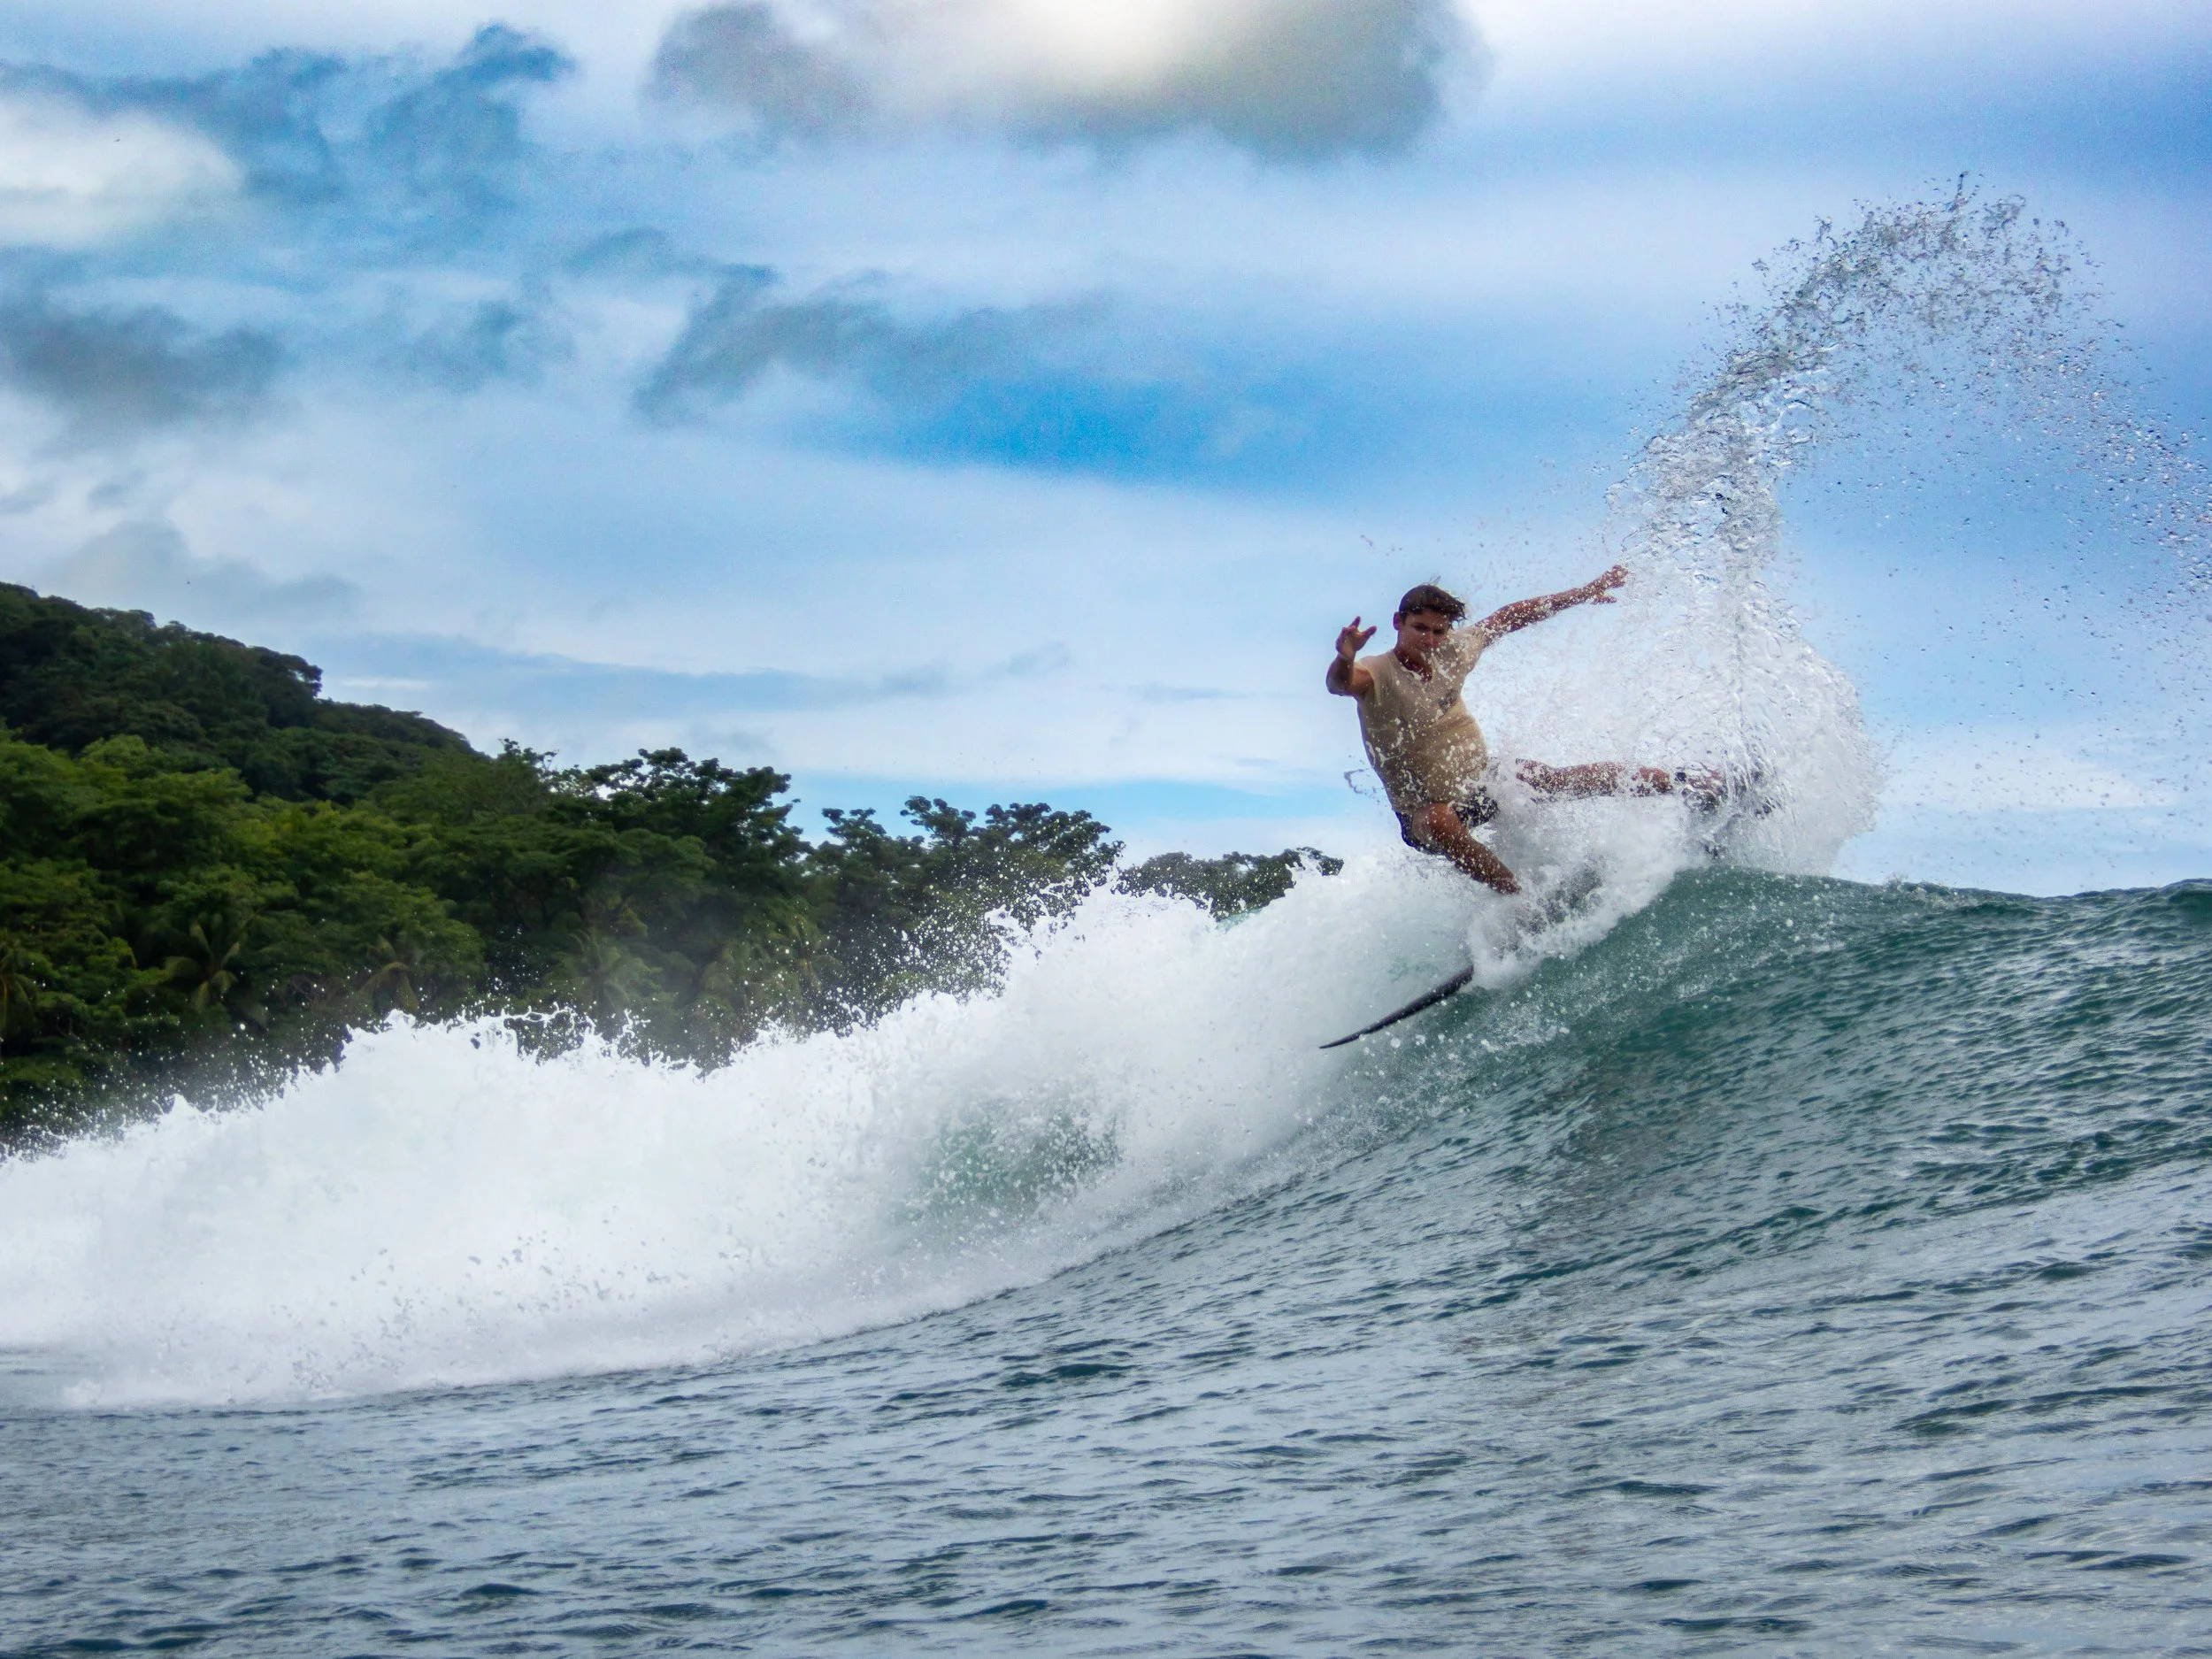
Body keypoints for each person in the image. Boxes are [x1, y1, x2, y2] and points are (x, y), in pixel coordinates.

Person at [1326, 569, 1703, 895]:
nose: (1429, 640)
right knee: (1442, 820)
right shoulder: (1376, 671)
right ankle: (1518, 896)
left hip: (1481, 782)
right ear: (1398, 622)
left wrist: (1584, 593)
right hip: (1422, 815)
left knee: (1550, 778)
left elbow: (1511, 616)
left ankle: (1689, 784)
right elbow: (1340, 685)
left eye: (1438, 631)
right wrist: (1344, 658)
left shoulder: (1456, 650)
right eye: (1419, 628)